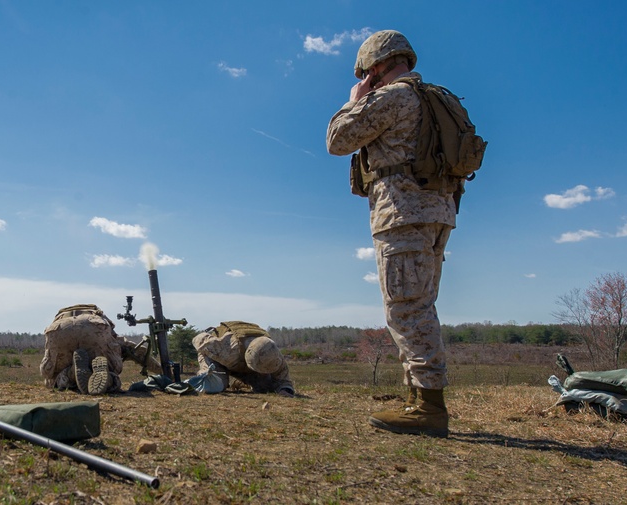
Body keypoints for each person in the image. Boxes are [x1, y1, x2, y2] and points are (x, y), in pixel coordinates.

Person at [326, 30, 455, 437]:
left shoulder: (393, 96)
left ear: (376, 66)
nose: (368, 77)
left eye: (368, 72)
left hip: (402, 213)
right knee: (419, 304)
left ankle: (430, 408)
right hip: (437, 213)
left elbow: (338, 140)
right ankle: (418, 398)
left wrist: (354, 99)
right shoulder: (439, 97)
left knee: (406, 309)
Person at [41, 304, 153, 395]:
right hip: (93, 324)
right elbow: (132, 349)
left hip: (59, 327)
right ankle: (108, 378)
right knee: (113, 370)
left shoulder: (59, 316)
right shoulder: (98, 314)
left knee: (52, 379)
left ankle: (71, 373)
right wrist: (162, 371)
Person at [188, 321, 295, 397]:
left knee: (265, 387)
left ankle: (239, 383)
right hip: (215, 357)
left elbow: (283, 379)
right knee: (215, 385)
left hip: (239, 363)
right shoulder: (228, 348)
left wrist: (285, 390)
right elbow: (199, 339)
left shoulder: (272, 354)